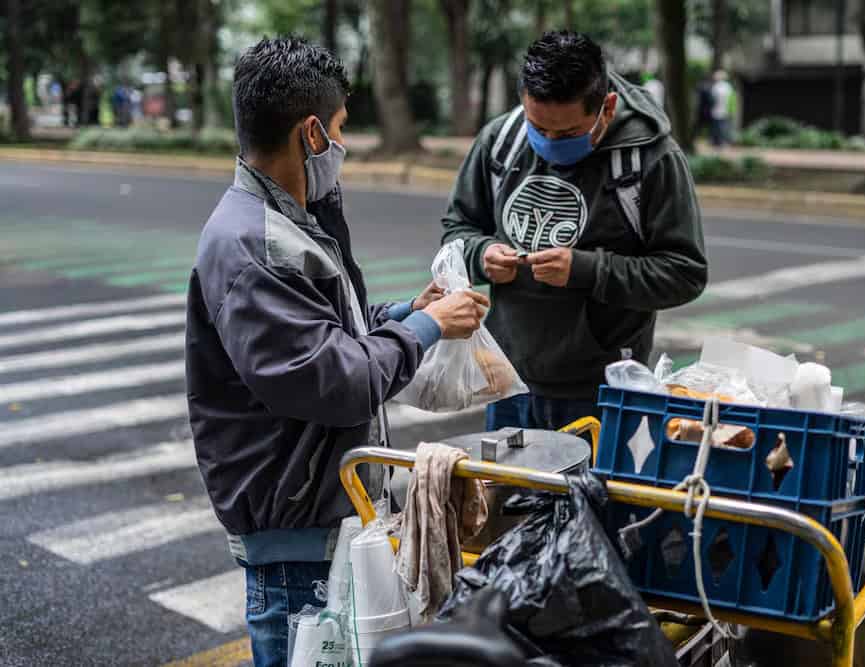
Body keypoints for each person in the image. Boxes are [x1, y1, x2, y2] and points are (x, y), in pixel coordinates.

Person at [185, 37, 488, 667]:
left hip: (326, 521)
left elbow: (328, 330)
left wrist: (405, 312)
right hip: (298, 542)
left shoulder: (292, 221)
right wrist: (427, 328)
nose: (344, 145)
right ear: (313, 133)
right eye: (343, 129)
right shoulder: (257, 243)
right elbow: (333, 379)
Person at [441, 31, 707, 432]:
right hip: (507, 378)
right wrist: (481, 255)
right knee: (505, 476)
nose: (549, 143)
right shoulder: (501, 141)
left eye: (567, 134)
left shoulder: (652, 159)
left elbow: (685, 273)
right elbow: (456, 230)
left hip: (603, 389)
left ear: (607, 108)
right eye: (537, 127)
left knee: (590, 478)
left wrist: (586, 270)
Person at [710, 69, 734, 147]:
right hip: (725, 110)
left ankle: (718, 142)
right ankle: (724, 142)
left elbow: (712, 99)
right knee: (724, 127)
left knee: (718, 127)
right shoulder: (728, 87)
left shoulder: (715, 87)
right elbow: (732, 100)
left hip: (716, 110)